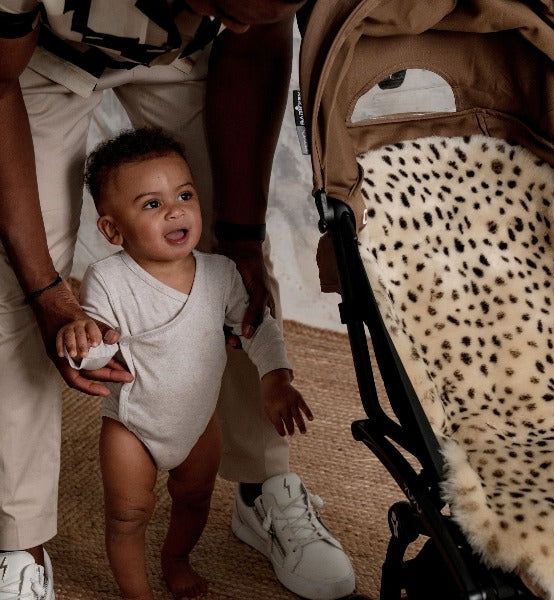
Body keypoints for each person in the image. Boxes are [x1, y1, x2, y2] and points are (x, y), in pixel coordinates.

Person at [0, 2, 355, 600]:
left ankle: (262, 487)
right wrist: (45, 292)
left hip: (182, 55)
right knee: (14, 274)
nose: (245, 22)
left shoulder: (247, 20)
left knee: (231, 253)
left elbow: (255, 40)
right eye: (234, 9)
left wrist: (239, 234)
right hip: (36, 63)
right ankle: (19, 538)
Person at [56, 127, 313, 600]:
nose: (175, 209)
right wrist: (83, 342)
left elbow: (257, 328)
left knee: (194, 501)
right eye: (152, 204)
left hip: (198, 423)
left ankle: (176, 558)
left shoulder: (220, 273)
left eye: (185, 194)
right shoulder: (109, 279)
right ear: (113, 230)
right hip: (132, 428)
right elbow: (100, 353)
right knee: (128, 516)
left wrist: (275, 380)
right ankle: (138, 594)